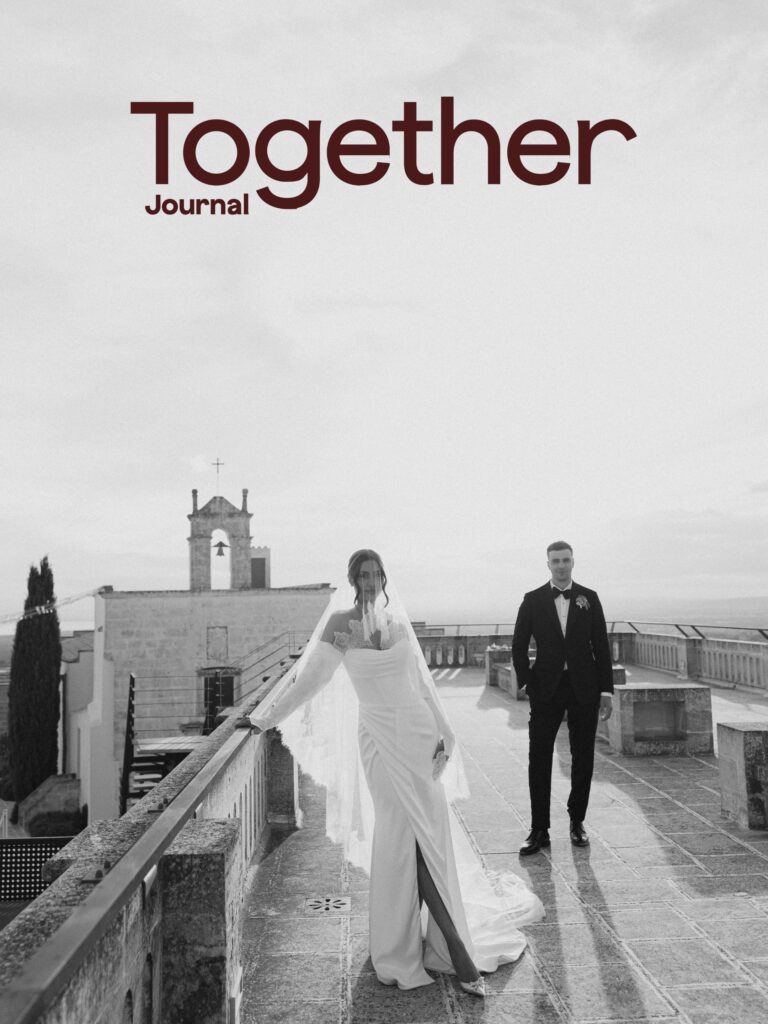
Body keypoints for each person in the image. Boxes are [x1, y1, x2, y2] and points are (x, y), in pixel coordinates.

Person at [248, 549, 543, 995]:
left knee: (432, 837)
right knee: (400, 838)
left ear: (385, 577)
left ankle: (448, 944)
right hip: (380, 741)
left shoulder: (398, 625)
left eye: (377, 573)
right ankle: (445, 955)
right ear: (353, 579)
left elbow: (421, 684)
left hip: (419, 736)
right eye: (363, 574)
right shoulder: (339, 626)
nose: (371, 580)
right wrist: (263, 718)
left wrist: (447, 731)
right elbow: (310, 681)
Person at [512, 541, 613, 856]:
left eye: (566, 560)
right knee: (538, 759)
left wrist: (606, 690)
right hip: (546, 689)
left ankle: (577, 821)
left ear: (573, 562)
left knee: (583, 757)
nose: (561, 565)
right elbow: (518, 644)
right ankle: (539, 829)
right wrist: (528, 682)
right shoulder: (532, 600)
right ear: (548, 564)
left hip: (585, 688)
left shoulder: (589, 598)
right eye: (555, 561)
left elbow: (601, 646)